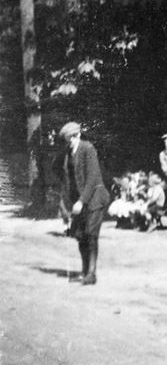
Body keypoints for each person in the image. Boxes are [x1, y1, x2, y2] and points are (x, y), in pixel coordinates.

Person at [58, 122, 110, 285]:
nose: (70, 141)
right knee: (80, 236)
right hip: (79, 201)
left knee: (91, 234)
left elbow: (93, 178)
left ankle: (91, 274)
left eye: (73, 137)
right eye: (67, 138)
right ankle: (84, 271)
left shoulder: (88, 149)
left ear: (78, 135)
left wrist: (82, 201)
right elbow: (67, 178)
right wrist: (66, 204)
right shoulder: (68, 152)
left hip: (94, 199)